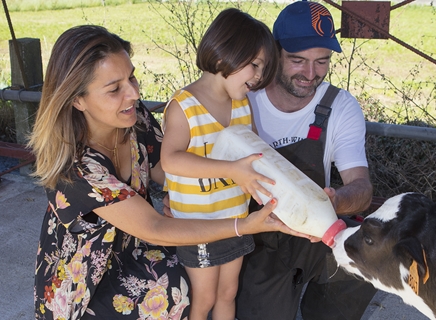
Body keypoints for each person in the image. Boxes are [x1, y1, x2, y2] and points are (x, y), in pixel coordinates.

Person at [29, 25, 306, 320]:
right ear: (77, 100)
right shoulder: (78, 170)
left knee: (201, 278)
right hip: (85, 284)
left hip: (133, 248)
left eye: (132, 77)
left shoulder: (134, 120)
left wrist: (188, 194)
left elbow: (165, 169)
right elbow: (157, 229)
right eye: (114, 89)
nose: (134, 93)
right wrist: (243, 225)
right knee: (174, 291)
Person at [235, 2, 377, 320]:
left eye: (322, 61)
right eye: (298, 61)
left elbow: (362, 187)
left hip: (315, 229)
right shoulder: (242, 98)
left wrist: (336, 200)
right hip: (257, 235)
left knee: (366, 255)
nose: (310, 74)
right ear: (273, 52)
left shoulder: (339, 106)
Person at [160, 8, 279, 320]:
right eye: (254, 65)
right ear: (227, 50)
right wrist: (230, 170)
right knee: (205, 296)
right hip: (196, 226)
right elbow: (170, 159)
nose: (257, 76)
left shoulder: (242, 105)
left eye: (262, 68)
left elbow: (255, 154)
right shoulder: (184, 107)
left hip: (235, 220)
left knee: (228, 292)